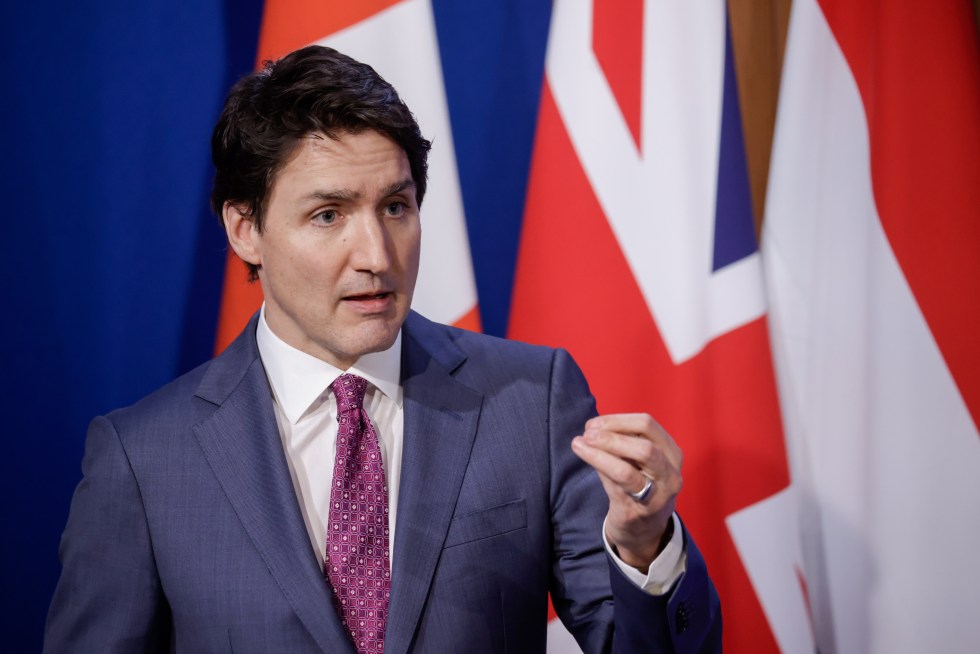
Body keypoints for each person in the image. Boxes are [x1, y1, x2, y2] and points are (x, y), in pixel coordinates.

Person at [44, 46, 721, 653]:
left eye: (395, 207)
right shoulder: (143, 460)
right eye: (328, 215)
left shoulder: (531, 400)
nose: (376, 256)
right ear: (246, 229)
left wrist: (644, 548)